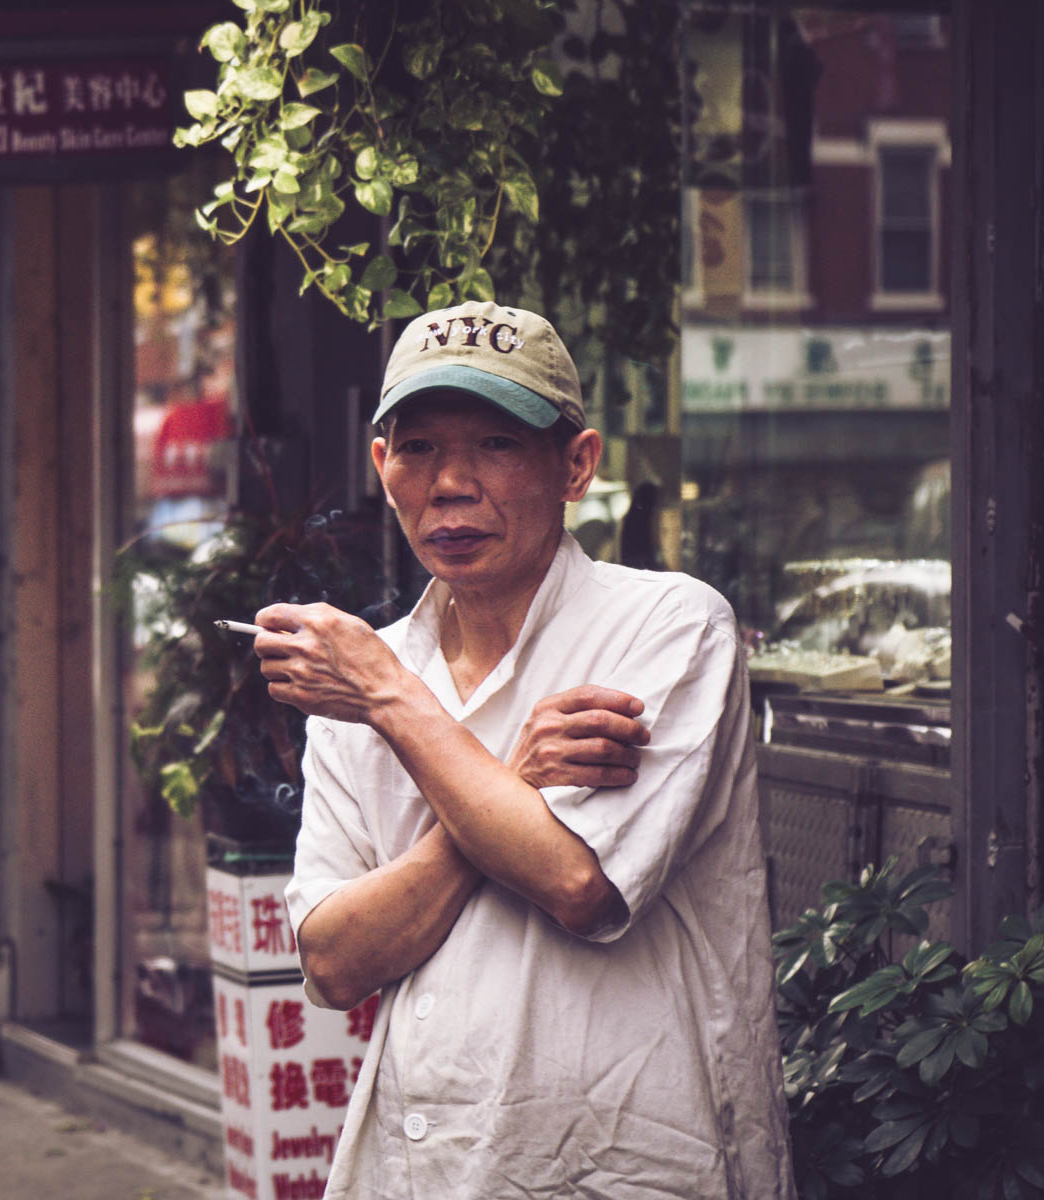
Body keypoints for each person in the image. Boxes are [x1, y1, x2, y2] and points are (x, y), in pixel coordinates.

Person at [253, 301, 794, 1197]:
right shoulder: (361, 681)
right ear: (382, 468)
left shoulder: (667, 625)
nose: (452, 483)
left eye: (497, 445)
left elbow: (578, 883)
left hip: (627, 1160)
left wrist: (390, 700)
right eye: (419, 447)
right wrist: (505, 777)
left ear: (575, 465)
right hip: (425, 1164)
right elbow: (334, 962)